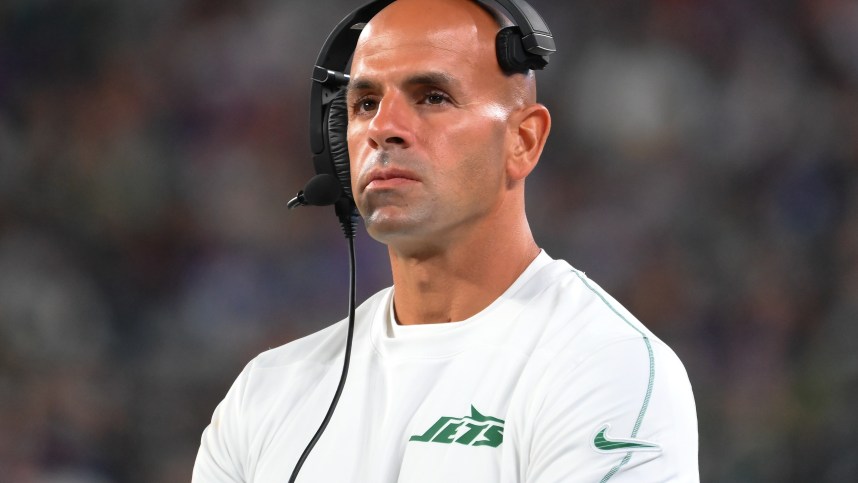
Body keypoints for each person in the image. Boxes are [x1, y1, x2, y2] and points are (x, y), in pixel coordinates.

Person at [193, 0, 699, 481]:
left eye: (432, 97)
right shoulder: (265, 394)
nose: (383, 129)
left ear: (523, 141)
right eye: (365, 103)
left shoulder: (606, 369)